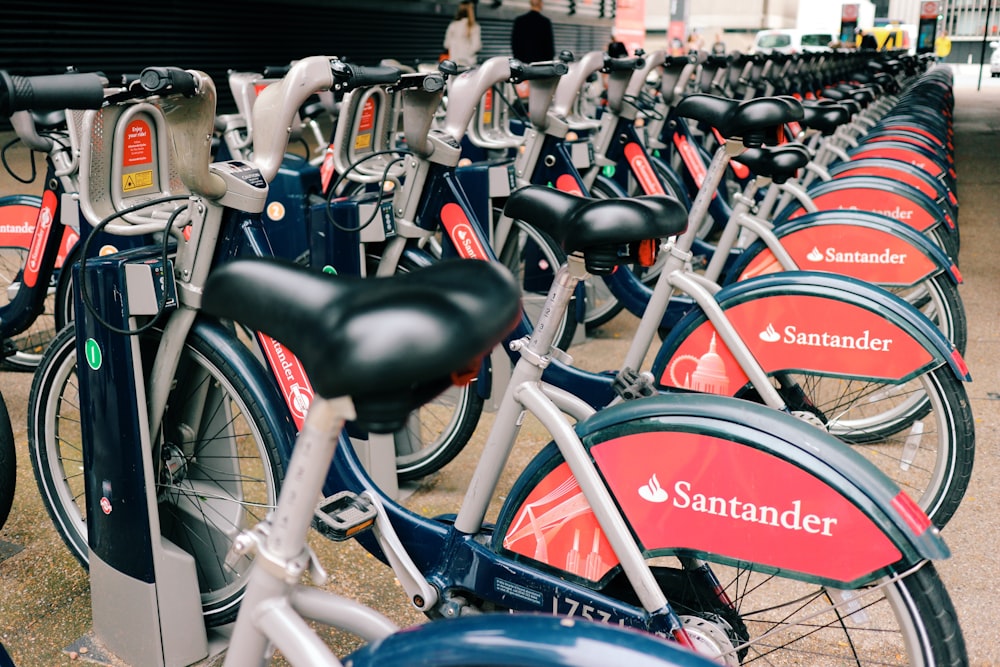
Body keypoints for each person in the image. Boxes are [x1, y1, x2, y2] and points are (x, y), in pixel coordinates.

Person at [443, 1, 482, 67]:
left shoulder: (453, 25)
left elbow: (446, 45)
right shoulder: (474, 26)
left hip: (454, 63)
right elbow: (476, 46)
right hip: (468, 64)